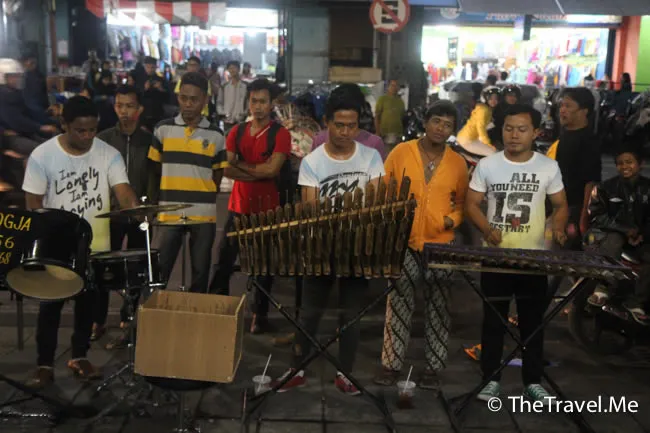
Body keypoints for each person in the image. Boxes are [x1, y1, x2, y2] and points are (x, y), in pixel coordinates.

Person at [23, 96, 140, 388]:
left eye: (92, 130)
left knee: (87, 305)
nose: (87, 136)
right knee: (51, 307)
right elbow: (33, 203)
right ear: (64, 125)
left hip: (94, 244)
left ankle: (79, 356)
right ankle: (44, 363)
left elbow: (122, 190)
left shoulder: (109, 154)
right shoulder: (42, 155)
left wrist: (135, 208)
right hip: (56, 246)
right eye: (80, 131)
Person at [273, 94, 385, 395]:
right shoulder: (313, 161)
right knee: (309, 313)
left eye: (352, 125)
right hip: (320, 247)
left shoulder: (371, 158)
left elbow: (375, 202)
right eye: (339, 125)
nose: (346, 132)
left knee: (351, 315)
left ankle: (345, 373)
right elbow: (311, 208)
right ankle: (296, 369)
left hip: (357, 248)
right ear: (327, 124)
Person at [464, 104, 569, 404]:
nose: (514, 135)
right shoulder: (488, 165)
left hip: (533, 258)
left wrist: (558, 228)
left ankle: (532, 382)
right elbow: (471, 204)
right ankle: (490, 380)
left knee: (532, 322)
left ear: (535, 133)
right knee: (493, 321)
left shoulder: (548, 167)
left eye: (522, 129)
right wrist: (486, 229)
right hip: (495, 258)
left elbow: (560, 204)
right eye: (509, 129)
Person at [374, 100, 469, 390]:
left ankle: (433, 368)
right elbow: (384, 189)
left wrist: (451, 220)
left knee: (439, 305)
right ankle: (391, 366)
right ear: (425, 122)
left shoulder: (457, 162)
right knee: (398, 303)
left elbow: (462, 203)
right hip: (404, 241)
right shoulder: (401, 152)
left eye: (448, 125)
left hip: (441, 244)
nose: (441, 128)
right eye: (436, 121)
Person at [209, 78, 291, 333]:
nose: (257, 106)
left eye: (263, 102)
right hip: (238, 207)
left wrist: (242, 167)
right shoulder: (237, 132)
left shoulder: (281, 134)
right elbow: (227, 169)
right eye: (254, 101)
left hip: (268, 209)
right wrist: (259, 171)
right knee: (223, 261)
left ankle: (259, 315)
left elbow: (272, 170)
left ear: (271, 104)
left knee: (264, 266)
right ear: (248, 103)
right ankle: (217, 309)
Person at [93, 85, 161, 343]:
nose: (124, 111)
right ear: (114, 107)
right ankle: (98, 319)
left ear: (139, 109)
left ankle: (128, 315)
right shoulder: (103, 139)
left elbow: (154, 177)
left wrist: (150, 207)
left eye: (129, 106)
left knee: (136, 269)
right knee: (102, 269)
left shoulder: (148, 140)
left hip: (139, 215)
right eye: (120, 106)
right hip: (109, 214)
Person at [148, 72, 226, 294]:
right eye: (183, 98)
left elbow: (218, 173)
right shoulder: (162, 129)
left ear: (205, 101)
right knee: (159, 270)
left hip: (204, 212)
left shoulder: (216, 135)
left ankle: (194, 313)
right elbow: (154, 169)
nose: (188, 104)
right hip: (169, 210)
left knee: (200, 272)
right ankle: (154, 311)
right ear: (178, 97)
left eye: (194, 99)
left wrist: (204, 193)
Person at [585, 146, 650, 325]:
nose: (625, 166)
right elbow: (597, 216)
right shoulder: (606, 187)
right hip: (611, 237)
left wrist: (642, 235)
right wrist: (624, 230)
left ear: (640, 164)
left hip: (640, 241)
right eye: (620, 163)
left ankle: (636, 302)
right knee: (613, 239)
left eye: (629, 162)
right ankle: (603, 287)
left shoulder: (648, 187)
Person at [456, 85, 499, 155]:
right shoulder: (483, 109)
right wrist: (487, 142)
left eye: (496, 98)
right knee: (494, 154)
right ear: (485, 98)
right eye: (491, 98)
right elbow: (480, 127)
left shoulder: (487, 109)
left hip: (471, 138)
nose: (493, 101)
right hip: (468, 139)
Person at [218, 61, 248, 132]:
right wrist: (222, 113)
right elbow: (219, 102)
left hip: (240, 120)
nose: (232, 70)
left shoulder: (245, 86)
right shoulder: (224, 86)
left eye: (234, 68)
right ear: (228, 70)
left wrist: (244, 114)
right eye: (230, 68)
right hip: (227, 120)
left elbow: (248, 102)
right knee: (228, 137)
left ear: (239, 69)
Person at [375, 79, 405, 149]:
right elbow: (377, 116)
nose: (394, 88)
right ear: (388, 87)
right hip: (384, 134)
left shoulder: (401, 101)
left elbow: (402, 117)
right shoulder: (382, 99)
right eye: (392, 85)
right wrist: (377, 132)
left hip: (397, 134)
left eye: (396, 86)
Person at [489, 84, 522, 149]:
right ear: (504, 96)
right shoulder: (497, 108)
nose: (512, 98)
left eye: (515, 96)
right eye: (510, 95)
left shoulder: (520, 109)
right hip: (497, 138)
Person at [140, 56, 168, 132]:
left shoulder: (161, 80)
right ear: (144, 67)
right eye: (148, 67)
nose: (150, 69)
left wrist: (161, 89)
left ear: (156, 67)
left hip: (157, 112)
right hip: (143, 114)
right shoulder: (139, 79)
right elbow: (136, 96)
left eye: (152, 67)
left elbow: (168, 98)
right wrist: (145, 89)